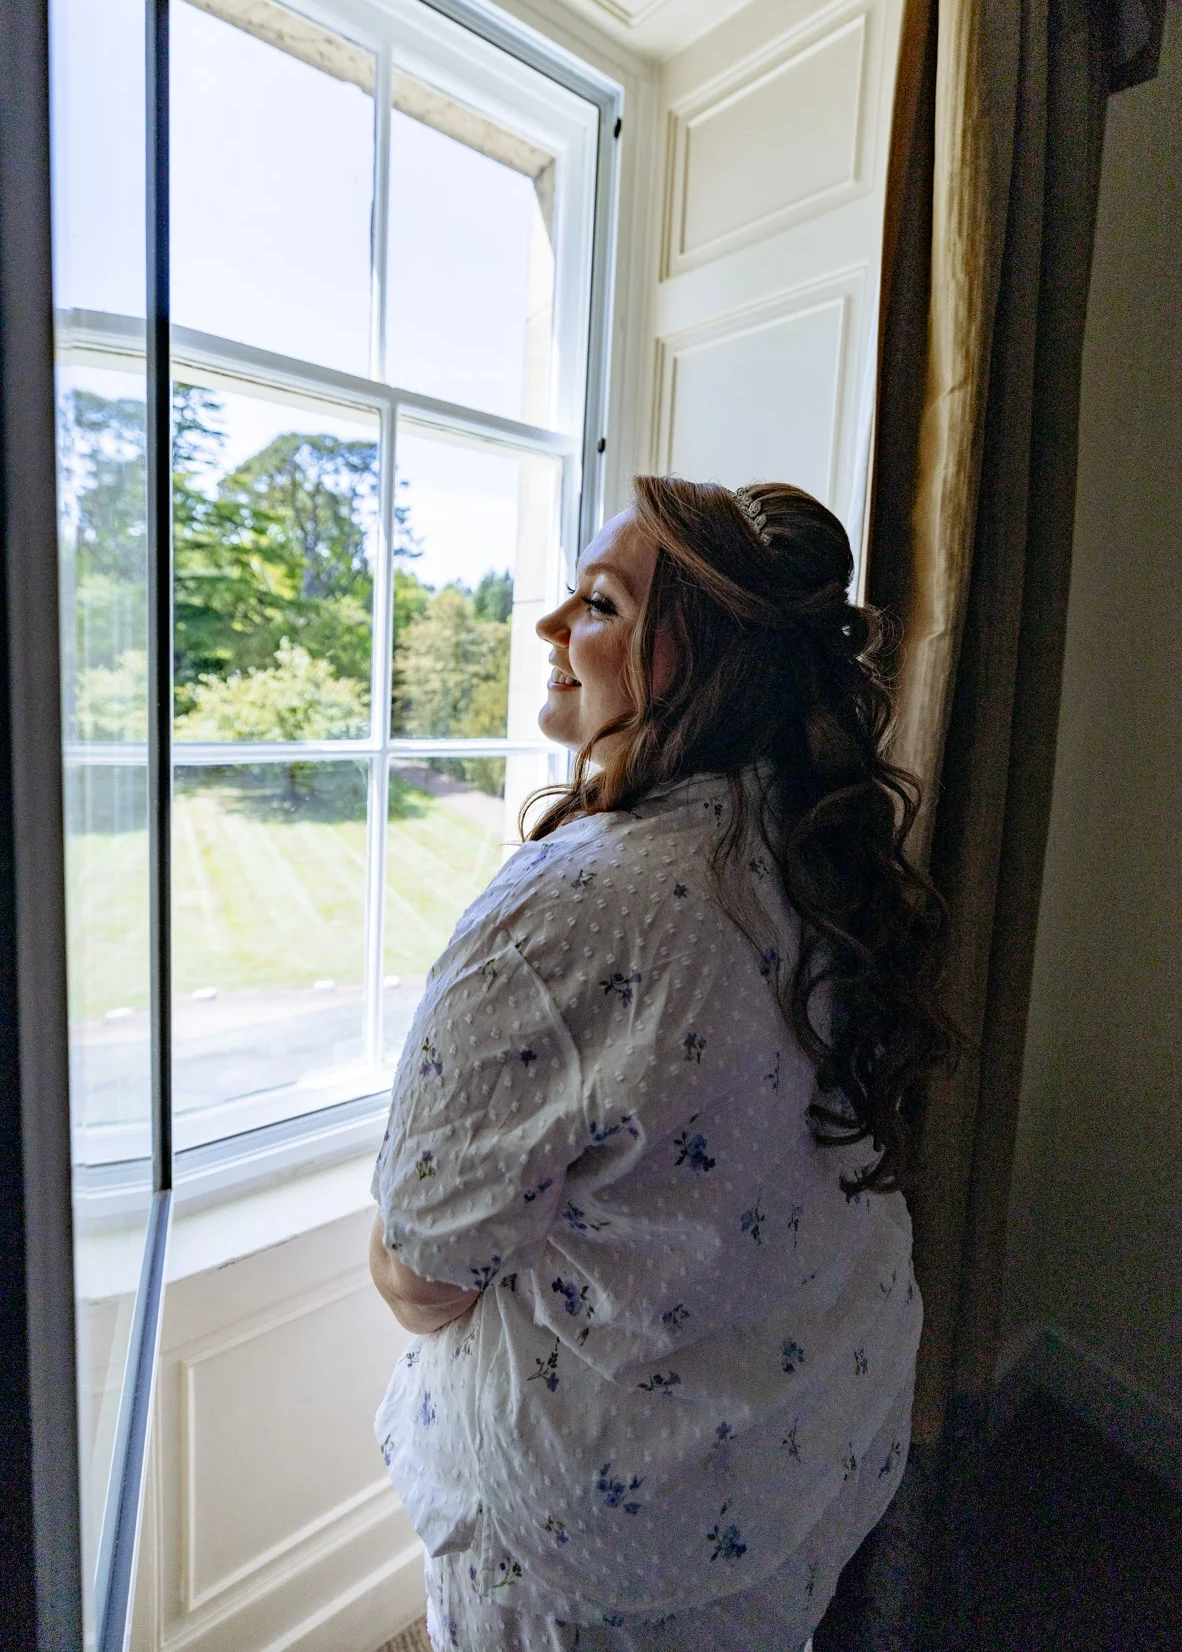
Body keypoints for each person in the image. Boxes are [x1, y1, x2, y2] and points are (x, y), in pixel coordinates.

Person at [369, 476, 958, 1652]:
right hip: (804, 1452)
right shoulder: (813, 854)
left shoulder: (570, 911)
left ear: (698, 660)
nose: (548, 628)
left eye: (596, 601)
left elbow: (424, 1272)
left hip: (605, 1555)